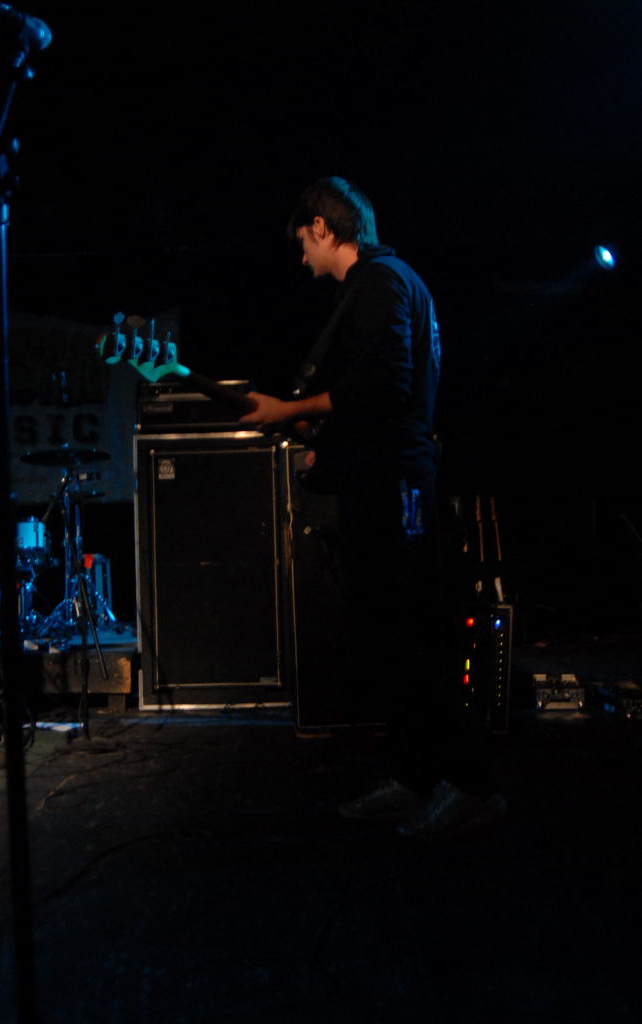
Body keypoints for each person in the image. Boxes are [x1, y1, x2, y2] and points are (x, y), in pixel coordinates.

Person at [239, 177, 505, 839]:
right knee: (390, 637)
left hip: (397, 485)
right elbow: (378, 399)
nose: (301, 256)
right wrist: (324, 447)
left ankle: (470, 786)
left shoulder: (381, 283)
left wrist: (291, 409)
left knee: (412, 635)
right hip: (382, 477)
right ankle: (415, 776)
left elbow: (385, 382)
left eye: (303, 242)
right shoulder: (380, 285)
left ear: (323, 228)